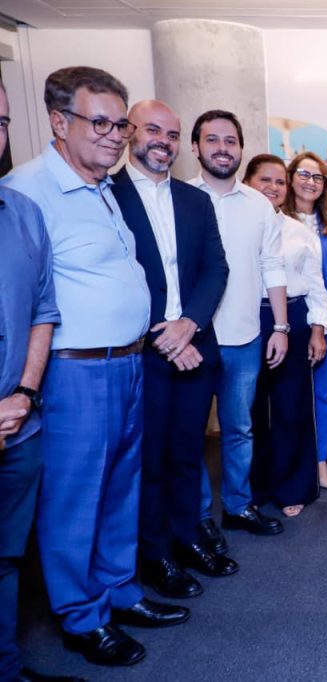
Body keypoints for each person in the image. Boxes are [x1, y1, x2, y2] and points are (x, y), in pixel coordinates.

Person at [1, 66, 187, 667]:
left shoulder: (102, 186)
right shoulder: (28, 191)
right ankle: (81, 617)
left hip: (128, 363)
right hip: (74, 370)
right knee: (75, 500)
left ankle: (118, 591)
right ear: (59, 122)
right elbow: (25, 301)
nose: (114, 136)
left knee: (119, 491)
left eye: (119, 124)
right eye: (99, 123)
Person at [110, 100, 236, 600]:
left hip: (196, 347)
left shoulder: (194, 200)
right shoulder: (108, 195)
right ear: (130, 132)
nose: (163, 140)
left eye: (172, 133)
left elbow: (216, 269)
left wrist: (189, 324)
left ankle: (187, 540)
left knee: (189, 454)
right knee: (151, 461)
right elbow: (115, 278)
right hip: (143, 352)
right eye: (153, 130)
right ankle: (155, 555)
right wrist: (164, 335)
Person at [0, 81, 76, 682]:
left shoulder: (22, 212)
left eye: (1, 122)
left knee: (6, 554)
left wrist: (23, 395)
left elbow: (43, 311)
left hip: (18, 420)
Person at [190, 110, 288, 553]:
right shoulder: (179, 198)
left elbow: (273, 266)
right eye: (212, 140)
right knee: (192, 434)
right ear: (195, 147)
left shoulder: (258, 204)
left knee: (239, 428)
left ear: (241, 149)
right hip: (193, 341)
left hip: (246, 337)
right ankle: (197, 517)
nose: (222, 148)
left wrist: (281, 326)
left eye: (230, 141)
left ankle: (237, 505)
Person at [241, 154, 327, 518]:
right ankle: (256, 486)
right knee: (251, 410)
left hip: (293, 317)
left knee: (291, 406)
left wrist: (318, 330)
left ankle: (295, 486)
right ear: (247, 182)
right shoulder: (232, 226)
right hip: (247, 318)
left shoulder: (300, 231)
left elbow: (316, 286)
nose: (273, 187)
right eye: (265, 179)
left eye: (279, 181)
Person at [282, 151, 327, 490]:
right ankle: (293, 465)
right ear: (291, 177)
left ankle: (320, 461)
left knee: (321, 396)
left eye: (318, 177)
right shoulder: (277, 220)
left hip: (323, 323)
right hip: (288, 321)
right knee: (288, 399)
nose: (311, 182)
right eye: (304, 175)